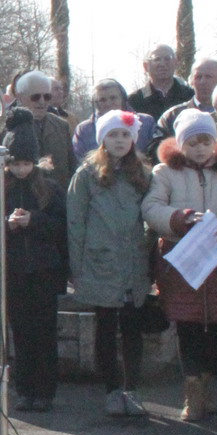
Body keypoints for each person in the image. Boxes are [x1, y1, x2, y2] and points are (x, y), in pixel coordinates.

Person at [143, 110, 217, 421]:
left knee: (215, 326)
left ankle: (207, 387)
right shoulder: (164, 172)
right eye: (192, 143)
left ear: (214, 142)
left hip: (215, 259)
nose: (200, 149)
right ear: (181, 144)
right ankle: (193, 394)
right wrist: (182, 218)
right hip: (181, 258)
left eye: (205, 142)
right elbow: (151, 208)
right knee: (187, 327)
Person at [0, 109, 68, 412]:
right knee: (20, 333)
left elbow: (61, 228)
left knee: (44, 333)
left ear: (35, 162)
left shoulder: (49, 189)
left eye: (26, 164)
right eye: (15, 164)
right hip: (12, 271)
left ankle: (45, 391)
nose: (20, 170)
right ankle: (24, 389)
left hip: (43, 271)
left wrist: (35, 222)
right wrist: (7, 226)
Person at [68, 110, 153, 417]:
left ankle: (132, 388)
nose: (119, 141)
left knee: (132, 328)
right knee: (105, 325)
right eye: (113, 135)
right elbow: (75, 222)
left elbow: (150, 217)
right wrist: (76, 268)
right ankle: (112, 390)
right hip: (100, 262)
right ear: (102, 139)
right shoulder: (87, 175)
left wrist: (148, 258)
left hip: (134, 263)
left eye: (125, 135)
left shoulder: (143, 174)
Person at [5, 71, 76, 189]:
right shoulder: (6, 127)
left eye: (47, 97)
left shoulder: (61, 126)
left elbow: (71, 167)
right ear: (20, 97)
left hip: (57, 196)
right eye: (35, 97)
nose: (42, 101)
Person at [152, 58, 217, 154]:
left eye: (208, 77)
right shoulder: (172, 116)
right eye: (198, 77)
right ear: (191, 81)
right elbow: (157, 152)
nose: (203, 81)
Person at [74, 79, 156, 161]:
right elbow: (80, 160)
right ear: (96, 104)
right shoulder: (84, 130)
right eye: (102, 100)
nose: (108, 103)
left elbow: (153, 155)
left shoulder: (145, 122)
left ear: (123, 99)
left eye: (113, 98)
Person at [129, 44, 194, 120]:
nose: (162, 64)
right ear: (146, 66)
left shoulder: (190, 95)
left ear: (176, 63)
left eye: (167, 59)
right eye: (157, 59)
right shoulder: (134, 100)